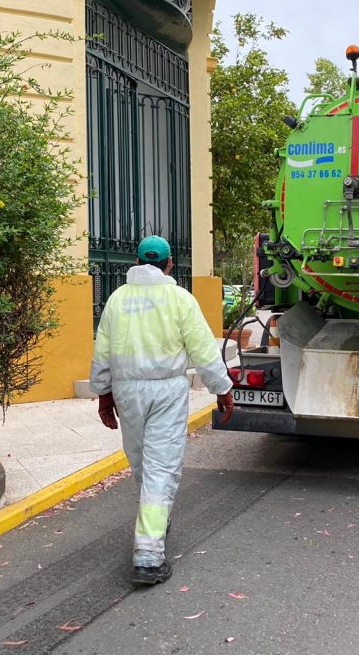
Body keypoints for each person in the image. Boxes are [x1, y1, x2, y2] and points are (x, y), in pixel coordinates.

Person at [89, 235, 234, 585]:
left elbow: (102, 351)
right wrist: (223, 389)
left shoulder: (117, 299)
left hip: (127, 392)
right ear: (170, 264)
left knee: (142, 464)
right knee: (160, 468)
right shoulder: (180, 299)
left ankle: (155, 521)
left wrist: (104, 395)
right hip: (167, 390)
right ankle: (149, 556)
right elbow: (203, 348)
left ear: (137, 262)